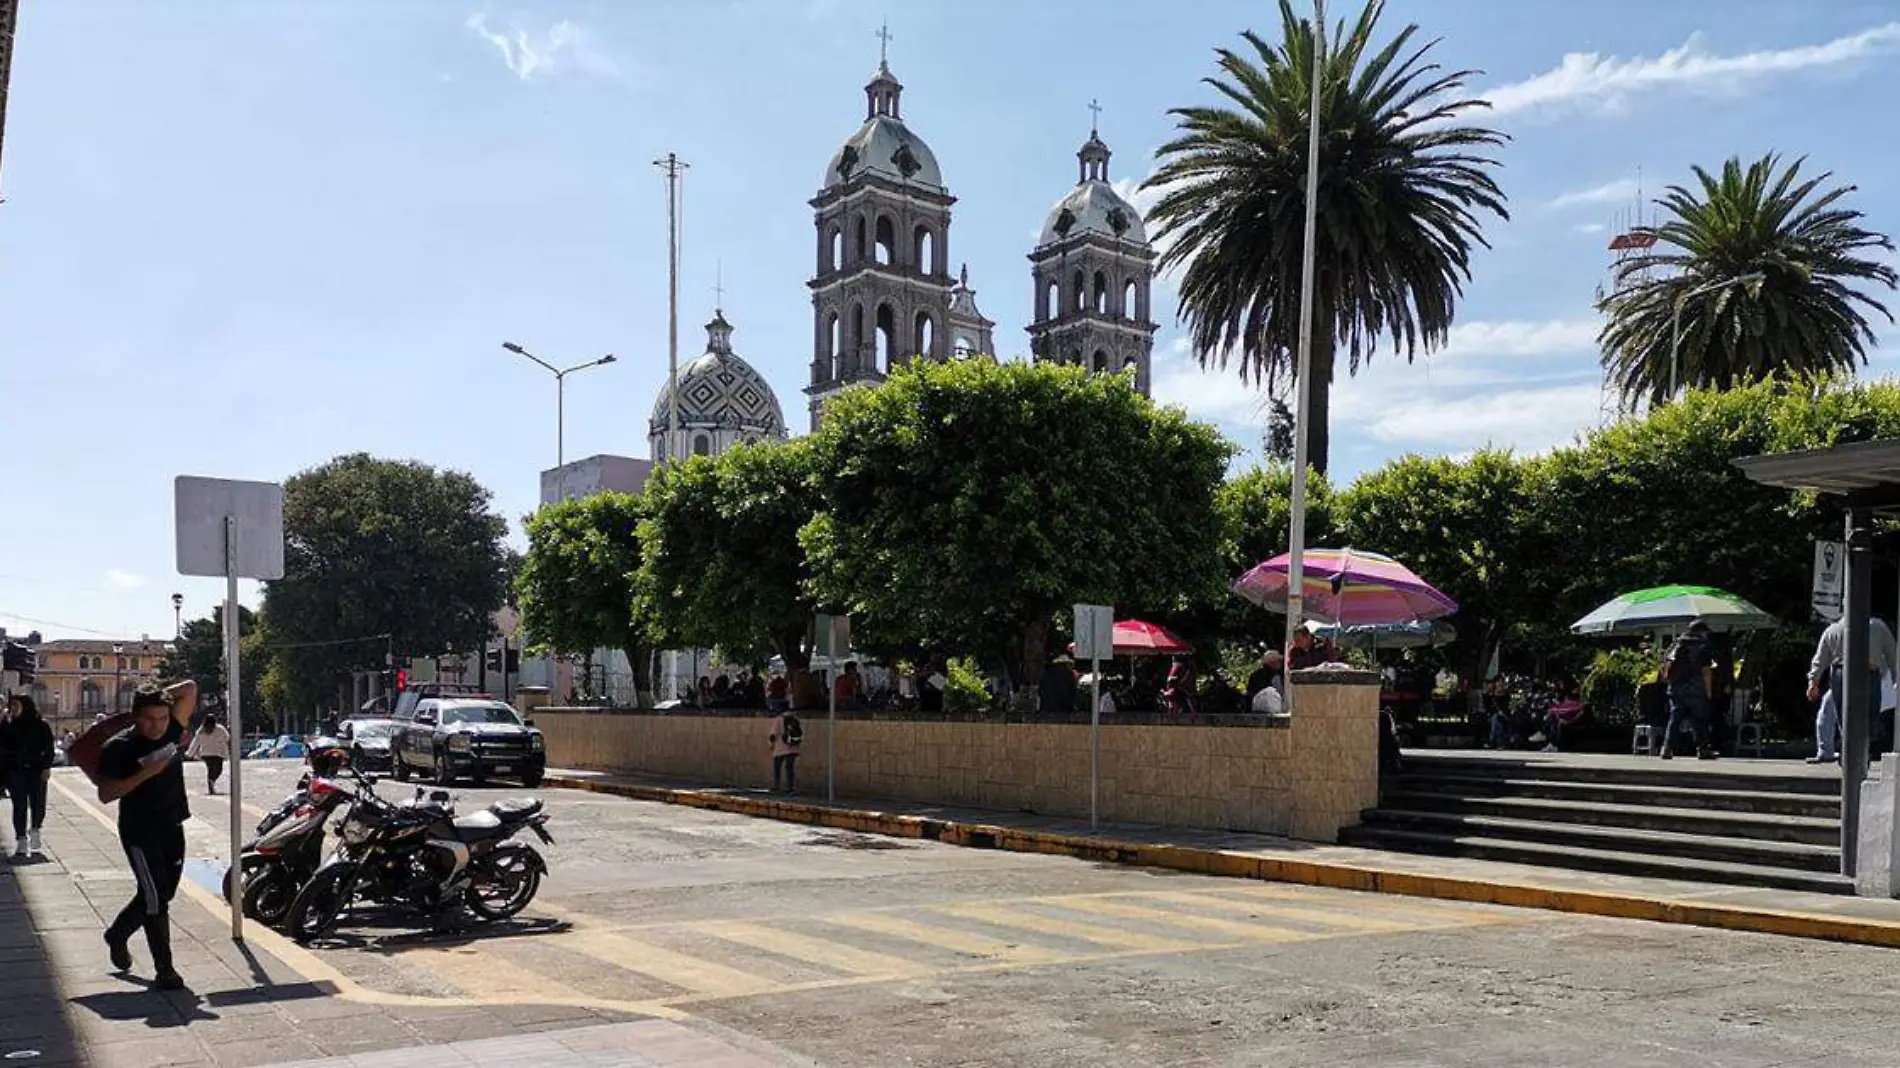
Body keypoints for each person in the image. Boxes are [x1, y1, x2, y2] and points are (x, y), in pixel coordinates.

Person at [96, 679, 198, 990]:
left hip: (173, 825)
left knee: (162, 894)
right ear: (135, 716)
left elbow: (190, 688)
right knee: (155, 900)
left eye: (162, 717)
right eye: (149, 718)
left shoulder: (170, 730)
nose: (157, 726)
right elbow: (106, 793)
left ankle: (118, 933)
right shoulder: (119, 747)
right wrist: (145, 773)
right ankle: (165, 970)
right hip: (140, 831)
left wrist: (159, 693)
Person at [1807, 613, 1899, 764]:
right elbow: (1892, 653)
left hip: (1841, 673)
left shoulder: (1833, 629)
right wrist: (1896, 677)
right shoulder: (1877, 626)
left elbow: (1820, 659)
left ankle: (1843, 749)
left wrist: (1813, 682)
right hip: (1868, 672)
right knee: (1868, 715)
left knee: (1840, 714)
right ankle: (1862, 749)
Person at [4, 696, 56, 858]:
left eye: (16, 705)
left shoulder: (41, 726)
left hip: (37, 771)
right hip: (16, 771)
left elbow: (49, 748)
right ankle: (21, 839)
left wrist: (46, 767)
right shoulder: (8, 725)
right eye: (11, 705)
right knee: (19, 806)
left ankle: (35, 829)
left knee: (38, 804)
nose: (13, 708)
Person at [1659, 620, 1716, 760]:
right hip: (1695, 688)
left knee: (1675, 719)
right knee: (1700, 719)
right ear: (1702, 632)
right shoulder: (1703, 646)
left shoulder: (1676, 643)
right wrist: (1708, 691)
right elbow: (1706, 671)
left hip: (1676, 687)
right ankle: (1703, 749)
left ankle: (1666, 749)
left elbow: (1665, 663)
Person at [187, 713, 232, 795]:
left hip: (206, 754)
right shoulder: (220, 729)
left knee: (210, 769)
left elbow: (195, 743)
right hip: (218, 753)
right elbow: (228, 738)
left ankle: (211, 784)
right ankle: (212, 782)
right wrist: (230, 749)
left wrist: (190, 753)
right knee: (218, 770)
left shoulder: (201, 730)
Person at [768, 703, 802, 793]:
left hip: (781, 748)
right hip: (793, 747)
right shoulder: (794, 718)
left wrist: (771, 744)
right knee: (790, 768)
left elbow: (774, 734)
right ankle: (791, 787)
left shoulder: (779, 719)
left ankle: (776, 785)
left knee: (777, 767)